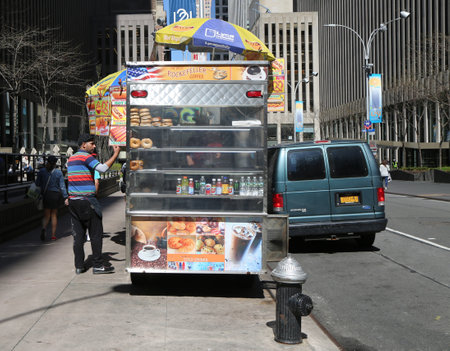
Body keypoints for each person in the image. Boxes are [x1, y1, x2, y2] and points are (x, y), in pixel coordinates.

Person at [67, 134, 120, 275]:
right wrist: (116, 154)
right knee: (96, 234)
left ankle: (79, 266)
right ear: (84, 145)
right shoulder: (85, 157)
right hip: (87, 202)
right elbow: (102, 169)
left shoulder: (71, 158)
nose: (94, 145)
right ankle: (97, 265)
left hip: (73, 202)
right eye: (92, 143)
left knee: (78, 236)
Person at [35, 156, 68, 241]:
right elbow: (62, 186)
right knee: (54, 215)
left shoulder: (41, 171)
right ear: (55, 163)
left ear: (47, 162)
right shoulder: (58, 172)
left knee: (46, 215)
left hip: (46, 194)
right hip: (55, 195)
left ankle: (44, 228)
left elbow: (37, 184)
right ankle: (53, 235)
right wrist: (65, 197)